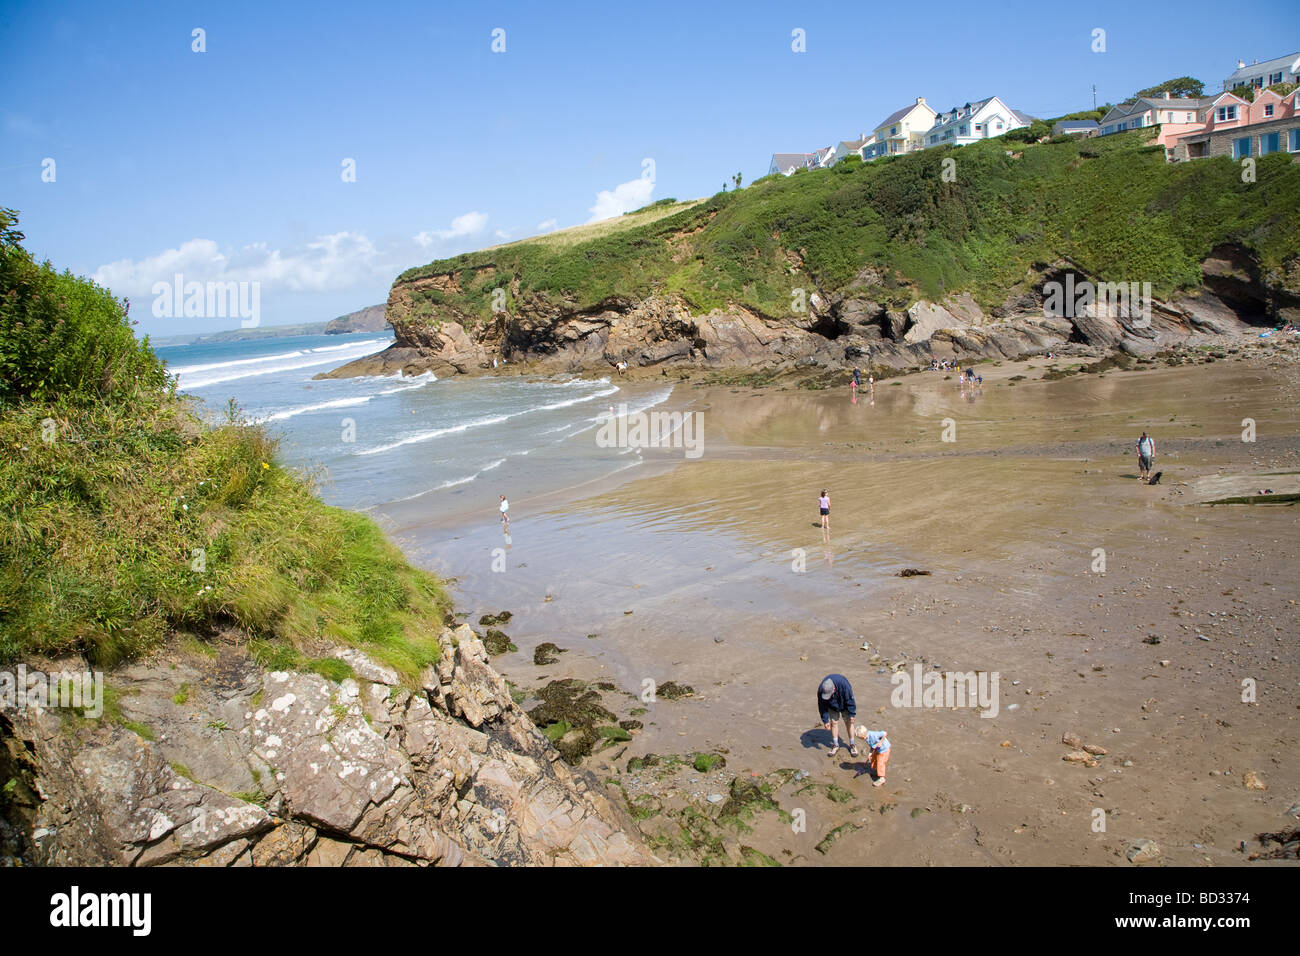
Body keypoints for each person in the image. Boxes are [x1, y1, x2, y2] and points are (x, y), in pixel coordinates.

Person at [818, 675, 859, 758]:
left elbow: (850, 699)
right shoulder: (821, 690)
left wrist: (852, 714)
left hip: (844, 703)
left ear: (834, 689)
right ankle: (835, 745)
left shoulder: (844, 685)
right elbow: (822, 706)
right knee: (833, 723)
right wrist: (825, 720)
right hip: (831, 705)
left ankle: (852, 745)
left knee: (849, 722)